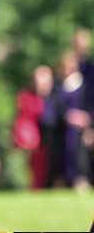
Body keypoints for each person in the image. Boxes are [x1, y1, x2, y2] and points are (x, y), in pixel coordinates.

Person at [41, 51, 93, 192]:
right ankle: (61, 182)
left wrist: (88, 122)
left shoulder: (84, 85)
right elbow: (53, 109)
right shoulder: (57, 87)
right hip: (61, 130)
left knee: (79, 156)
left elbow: (89, 105)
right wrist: (67, 116)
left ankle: (80, 180)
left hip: (80, 130)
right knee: (60, 158)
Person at [13, 65, 54, 189]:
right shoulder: (26, 97)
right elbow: (22, 120)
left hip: (52, 139)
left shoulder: (55, 97)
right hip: (34, 141)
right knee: (34, 171)